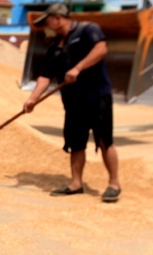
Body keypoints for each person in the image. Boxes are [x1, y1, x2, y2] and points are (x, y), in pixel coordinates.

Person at [23, 2, 121, 202]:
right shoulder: (54, 48)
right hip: (73, 102)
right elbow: (45, 77)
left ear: (58, 18)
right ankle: (76, 183)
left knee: (105, 141)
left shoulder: (88, 30)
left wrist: (78, 68)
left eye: (47, 21)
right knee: (75, 143)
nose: (47, 26)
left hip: (97, 96)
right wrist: (32, 99)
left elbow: (101, 49)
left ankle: (114, 183)